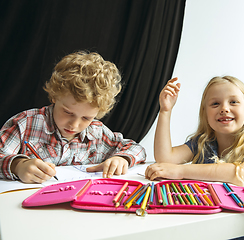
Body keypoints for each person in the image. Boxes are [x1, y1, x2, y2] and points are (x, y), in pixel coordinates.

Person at [0, 51, 146, 183]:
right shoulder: (25, 124)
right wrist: (17, 166)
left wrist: (121, 159)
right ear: (55, 97)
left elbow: (137, 149)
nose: (74, 125)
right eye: (68, 112)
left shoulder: (97, 132)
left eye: (86, 118)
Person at [145, 76, 244, 194]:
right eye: (215, 104)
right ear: (205, 113)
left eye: (233, 102)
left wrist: (179, 171)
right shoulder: (202, 143)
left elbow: (241, 175)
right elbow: (165, 159)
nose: (224, 109)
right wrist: (165, 111)